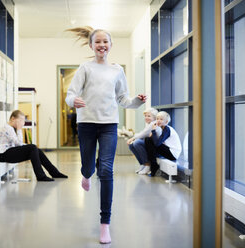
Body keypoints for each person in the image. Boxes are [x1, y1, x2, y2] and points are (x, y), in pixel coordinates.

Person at [65, 26, 146, 244]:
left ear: (110, 45)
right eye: (97, 42)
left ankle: (104, 224)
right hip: (87, 124)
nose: (102, 45)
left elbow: (124, 99)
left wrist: (137, 101)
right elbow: (70, 94)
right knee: (89, 166)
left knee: (107, 170)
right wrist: (74, 101)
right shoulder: (85, 68)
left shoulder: (117, 70)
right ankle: (85, 173)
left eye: (105, 41)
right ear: (91, 46)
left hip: (109, 124)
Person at [0, 110, 68, 182]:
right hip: (3, 155)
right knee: (32, 147)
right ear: (13, 118)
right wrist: (19, 129)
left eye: (23, 121)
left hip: (8, 152)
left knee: (36, 149)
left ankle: (54, 173)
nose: (22, 123)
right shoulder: (8, 128)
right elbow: (19, 143)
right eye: (20, 120)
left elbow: (18, 145)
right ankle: (41, 176)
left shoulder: (11, 128)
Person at [144, 111, 182, 177]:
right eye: (157, 119)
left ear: (166, 122)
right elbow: (157, 142)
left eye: (161, 119)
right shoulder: (163, 128)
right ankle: (153, 165)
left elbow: (157, 143)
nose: (158, 121)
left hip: (172, 154)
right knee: (148, 140)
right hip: (168, 151)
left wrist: (153, 131)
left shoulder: (167, 129)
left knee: (148, 140)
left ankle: (153, 166)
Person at [127, 108, 160, 174]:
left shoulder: (153, 124)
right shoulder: (150, 124)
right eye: (145, 116)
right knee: (131, 145)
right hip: (152, 145)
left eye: (149, 116)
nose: (146, 118)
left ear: (154, 117)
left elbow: (143, 134)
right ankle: (143, 164)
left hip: (157, 147)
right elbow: (143, 133)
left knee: (137, 143)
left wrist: (132, 138)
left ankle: (147, 165)